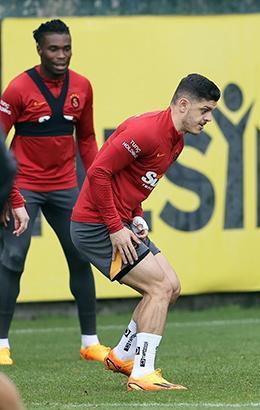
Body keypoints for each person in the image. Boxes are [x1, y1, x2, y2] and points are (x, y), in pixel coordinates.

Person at [70, 73, 220, 390]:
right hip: (96, 225)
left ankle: (123, 355)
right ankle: (142, 373)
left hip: (120, 222)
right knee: (159, 289)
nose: (208, 119)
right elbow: (98, 172)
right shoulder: (147, 131)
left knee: (172, 287)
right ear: (183, 104)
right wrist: (115, 227)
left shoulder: (176, 141)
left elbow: (133, 181)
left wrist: (136, 216)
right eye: (205, 110)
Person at [0, 19, 107, 366]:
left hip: (65, 186)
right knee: (13, 259)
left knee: (81, 255)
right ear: (39, 50)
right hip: (24, 187)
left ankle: (90, 343)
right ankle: (0, 343)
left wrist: (95, 184)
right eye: (54, 49)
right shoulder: (18, 89)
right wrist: (12, 197)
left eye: (67, 48)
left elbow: (87, 139)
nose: (62, 55)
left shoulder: (83, 86)